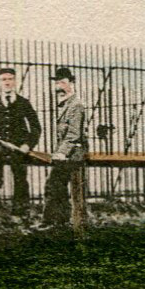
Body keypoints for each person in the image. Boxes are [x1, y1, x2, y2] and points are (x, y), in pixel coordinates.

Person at [0, 67, 41, 208]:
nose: (7, 82)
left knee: (19, 170)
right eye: (4, 79)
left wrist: (27, 145)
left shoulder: (24, 103)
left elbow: (36, 128)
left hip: (18, 147)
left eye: (10, 79)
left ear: (15, 81)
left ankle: (21, 207)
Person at [42, 66, 90, 229]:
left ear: (72, 83)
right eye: (57, 82)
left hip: (74, 152)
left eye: (63, 82)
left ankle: (52, 221)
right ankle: (60, 221)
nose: (59, 86)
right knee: (56, 185)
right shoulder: (64, 105)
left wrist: (61, 153)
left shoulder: (76, 105)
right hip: (66, 153)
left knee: (54, 184)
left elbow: (74, 134)